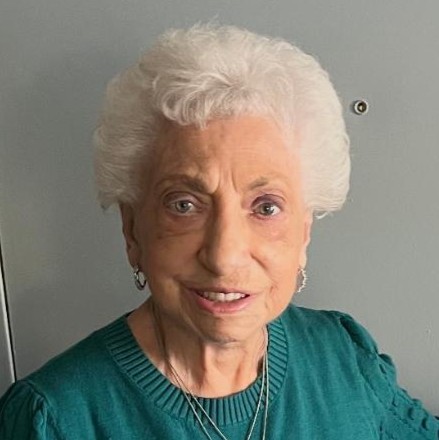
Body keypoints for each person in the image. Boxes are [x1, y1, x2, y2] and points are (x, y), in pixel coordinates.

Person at [0, 23, 437, 440]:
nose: (224, 257)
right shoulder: (54, 419)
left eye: (266, 207)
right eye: (184, 205)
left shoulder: (343, 357)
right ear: (132, 230)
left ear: (303, 233)